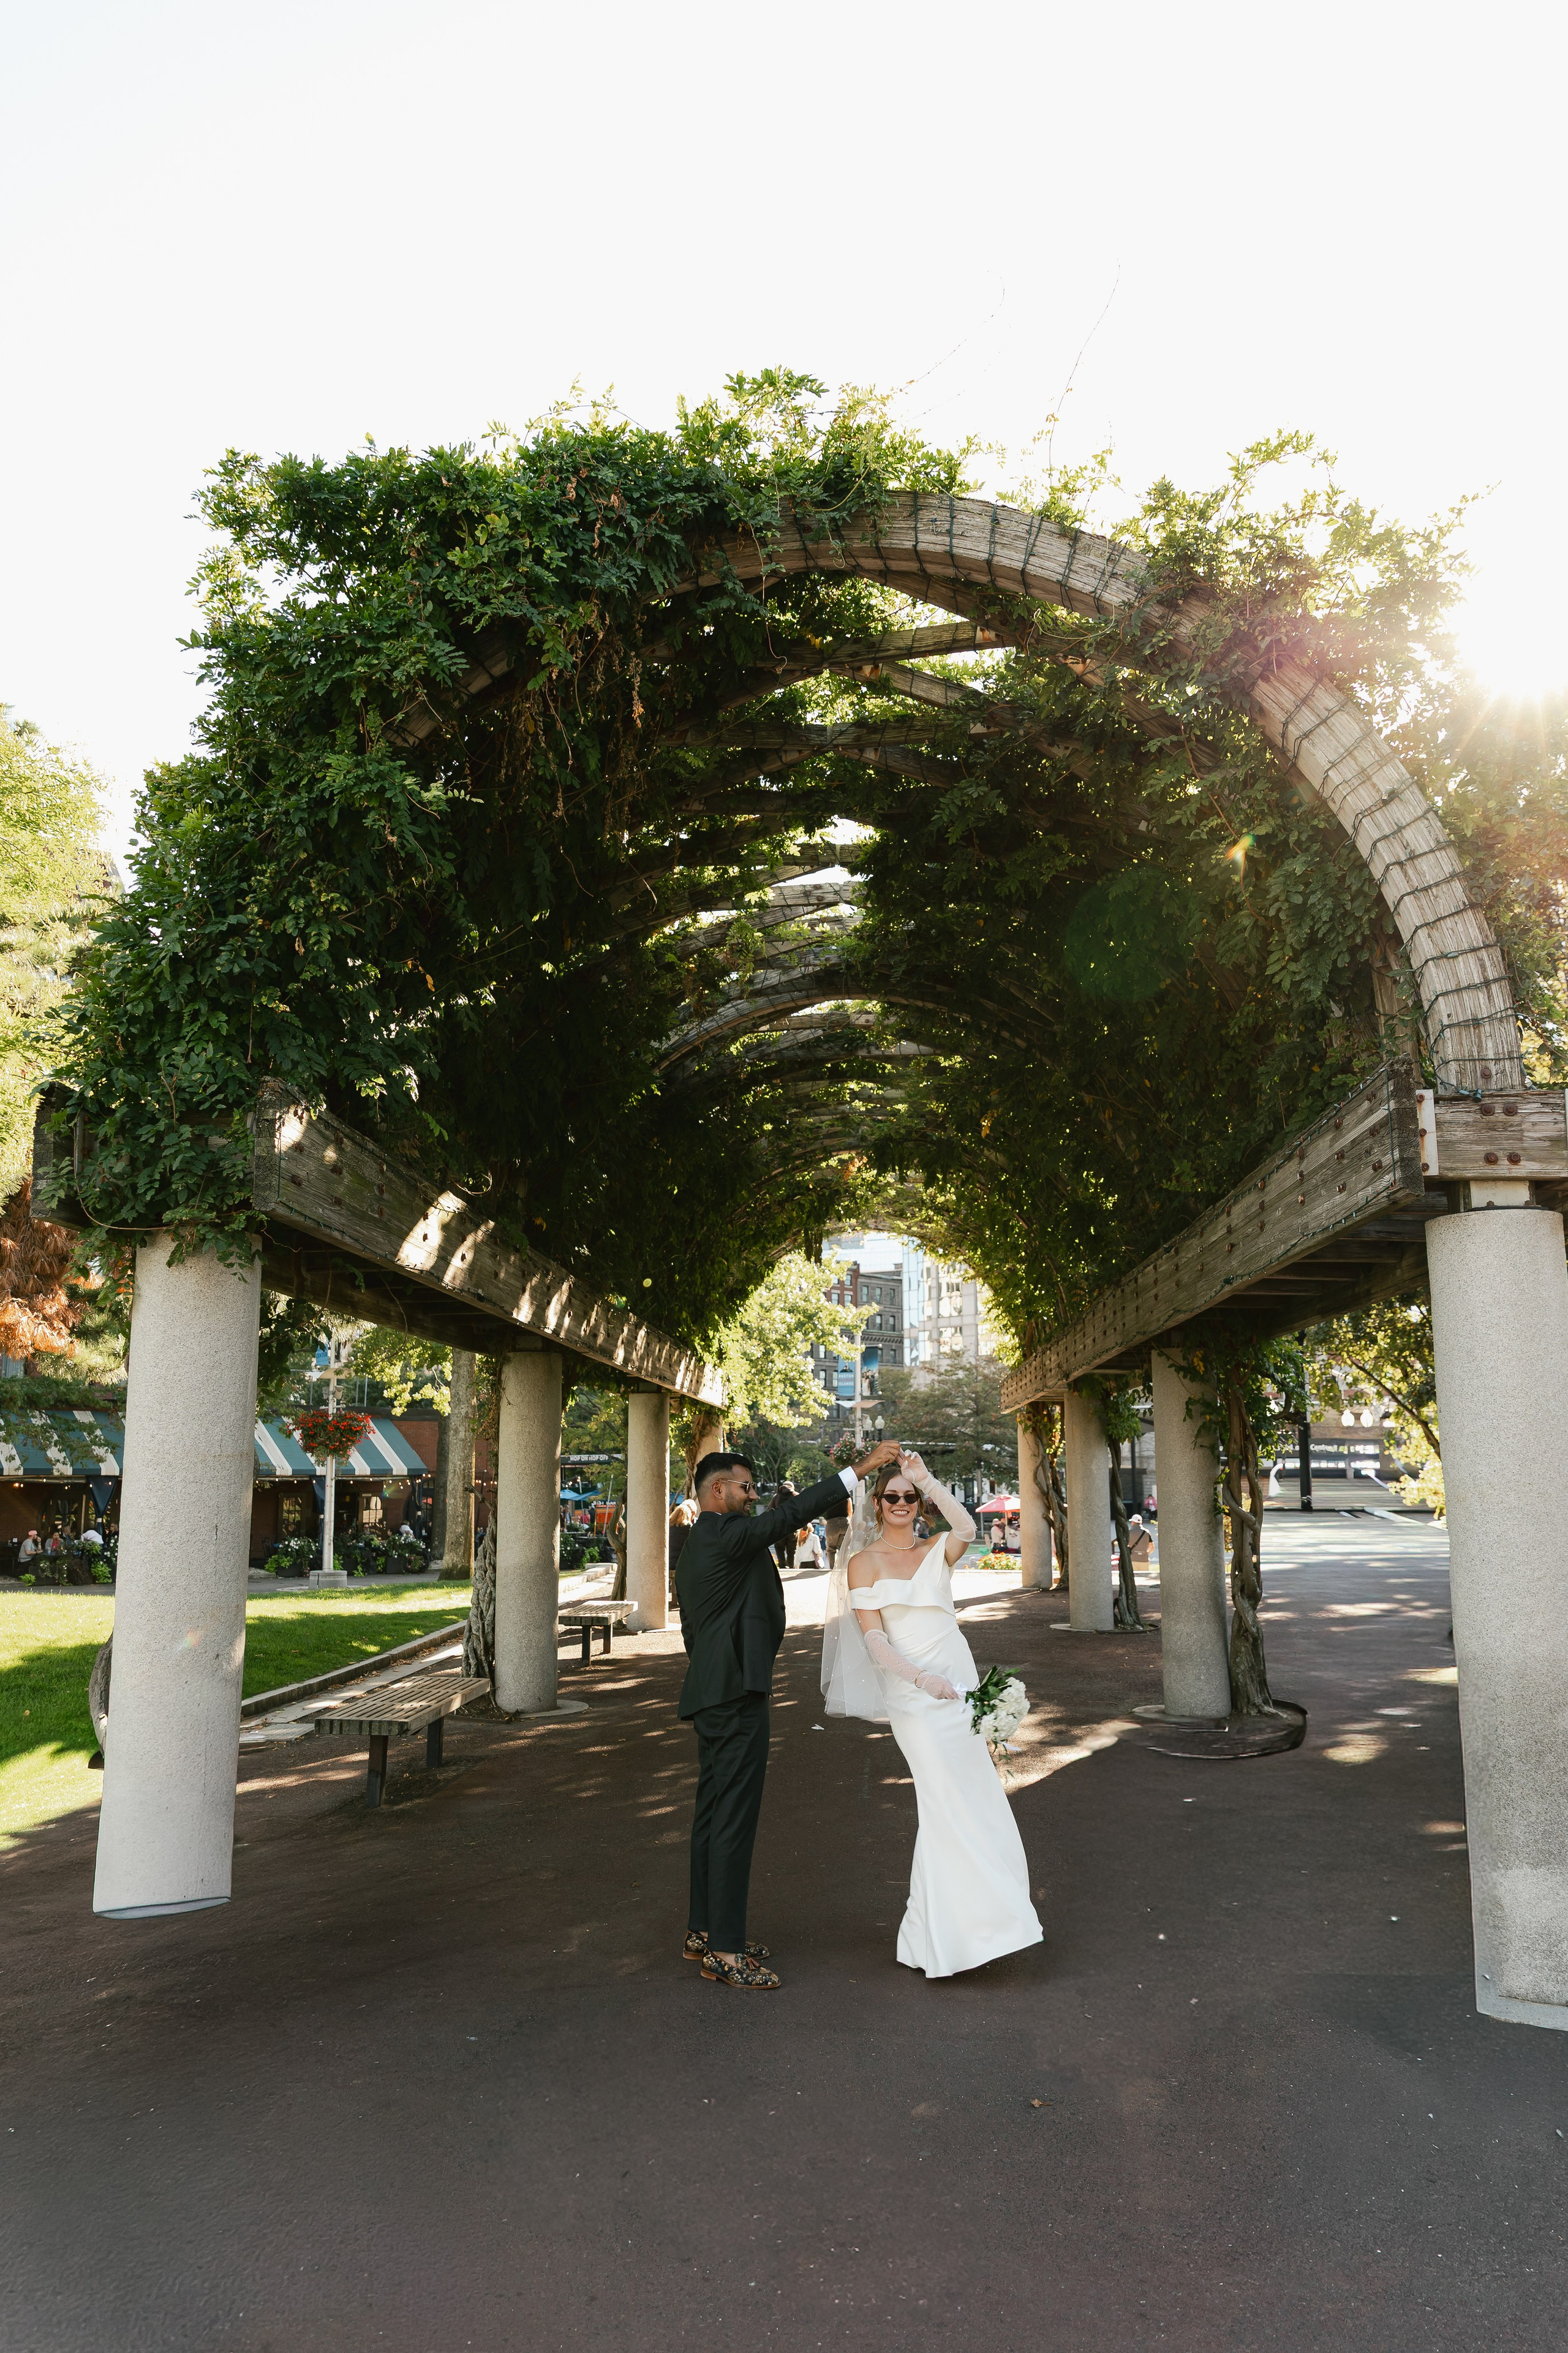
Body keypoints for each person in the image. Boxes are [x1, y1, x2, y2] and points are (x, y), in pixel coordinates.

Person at [677, 1438, 900, 1991]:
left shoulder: (707, 1541)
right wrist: (860, 1469)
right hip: (733, 1698)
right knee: (732, 1822)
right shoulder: (723, 1533)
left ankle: (705, 1931)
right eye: (746, 1488)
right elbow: (791, 1515)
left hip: (715, 1692)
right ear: (718, 1491)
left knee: (712, 1817)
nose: (755, 1496)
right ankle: (725, 1952)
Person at [824, 1450, 1043, 1979]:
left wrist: (929, 1479)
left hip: (961, 1685)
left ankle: (933, 1937)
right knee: (945, 1804)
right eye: (892, 1495)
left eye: (909, 1495)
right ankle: (964, 1934)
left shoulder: (937, 1549)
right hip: (915, 1697)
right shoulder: (863, 1562)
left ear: (918, 1502)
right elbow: (873, 1636)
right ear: (877, 1504)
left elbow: (968, 1525)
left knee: (975, 1798)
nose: (901, 1503)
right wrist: (920, 1678)